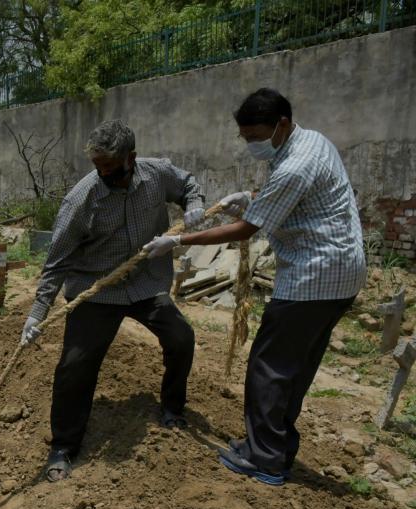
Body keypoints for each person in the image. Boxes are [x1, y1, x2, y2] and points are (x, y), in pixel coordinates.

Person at [144, 88, 366, 486]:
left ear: (281, 124)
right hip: (343, 273)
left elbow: (248, 229)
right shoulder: (314, 141)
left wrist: (178, 242)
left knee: (269, 368)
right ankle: (276, 447)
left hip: (313, 277)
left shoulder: (294, 165)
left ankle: (264, 459)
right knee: (295, 368)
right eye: (245, 138)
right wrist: (249, 196)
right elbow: (288, 198)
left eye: (255, 138)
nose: (251, 146)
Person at [23, 119, 205, 482]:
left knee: (181, 339)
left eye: (109, 167)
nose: (102, 174)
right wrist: (37, 314)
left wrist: (194, 205)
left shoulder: (155, 175)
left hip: (145, 283)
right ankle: (63, 446)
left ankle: (171, 408)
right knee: (75, 365)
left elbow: (187, 184)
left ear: (131, 158)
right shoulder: (81, 199)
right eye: (97, 167)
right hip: (97, 289)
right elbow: (56, 262)